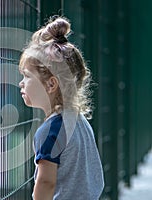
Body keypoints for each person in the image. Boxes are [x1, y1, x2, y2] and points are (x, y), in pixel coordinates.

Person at [18, 16, 104, 200]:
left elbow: (46, 182)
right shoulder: (79, 121)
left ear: (51, 85)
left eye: (26, 76)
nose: (21, 83)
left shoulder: (50, 131)